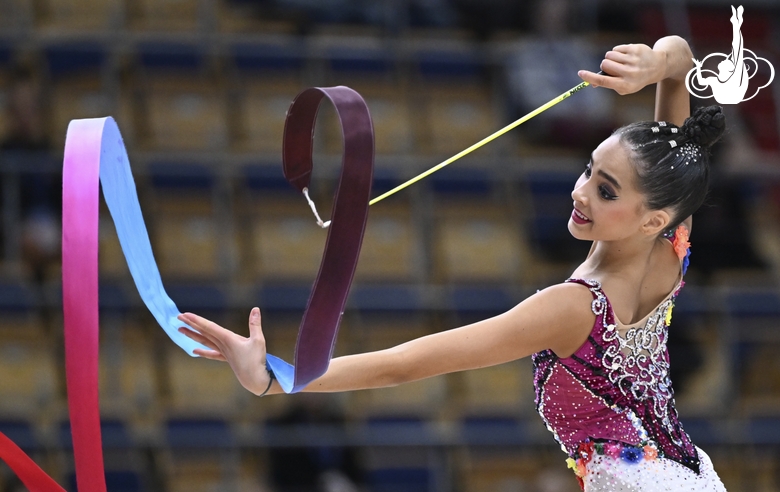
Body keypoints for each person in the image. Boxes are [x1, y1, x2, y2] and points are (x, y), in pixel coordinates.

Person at [177, 35, 729, 491]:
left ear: (652, 219)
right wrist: (660, 65)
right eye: (588, 170)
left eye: (606, 192)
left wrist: (275, 380)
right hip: (691, 477)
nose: (580, 192)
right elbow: (681, 79)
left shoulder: (573, 308)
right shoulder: (671, 245)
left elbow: (406, 364)